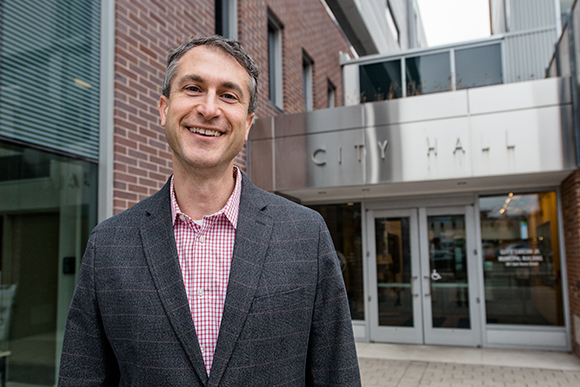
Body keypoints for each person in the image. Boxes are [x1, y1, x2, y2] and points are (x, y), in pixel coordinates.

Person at [58, 35, 361, 386]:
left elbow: (336, 375)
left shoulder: (306, 233)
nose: (209, 109)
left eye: (229, 95)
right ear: (164, 108)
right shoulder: (108, 244)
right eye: (193, 88)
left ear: (247, 125)